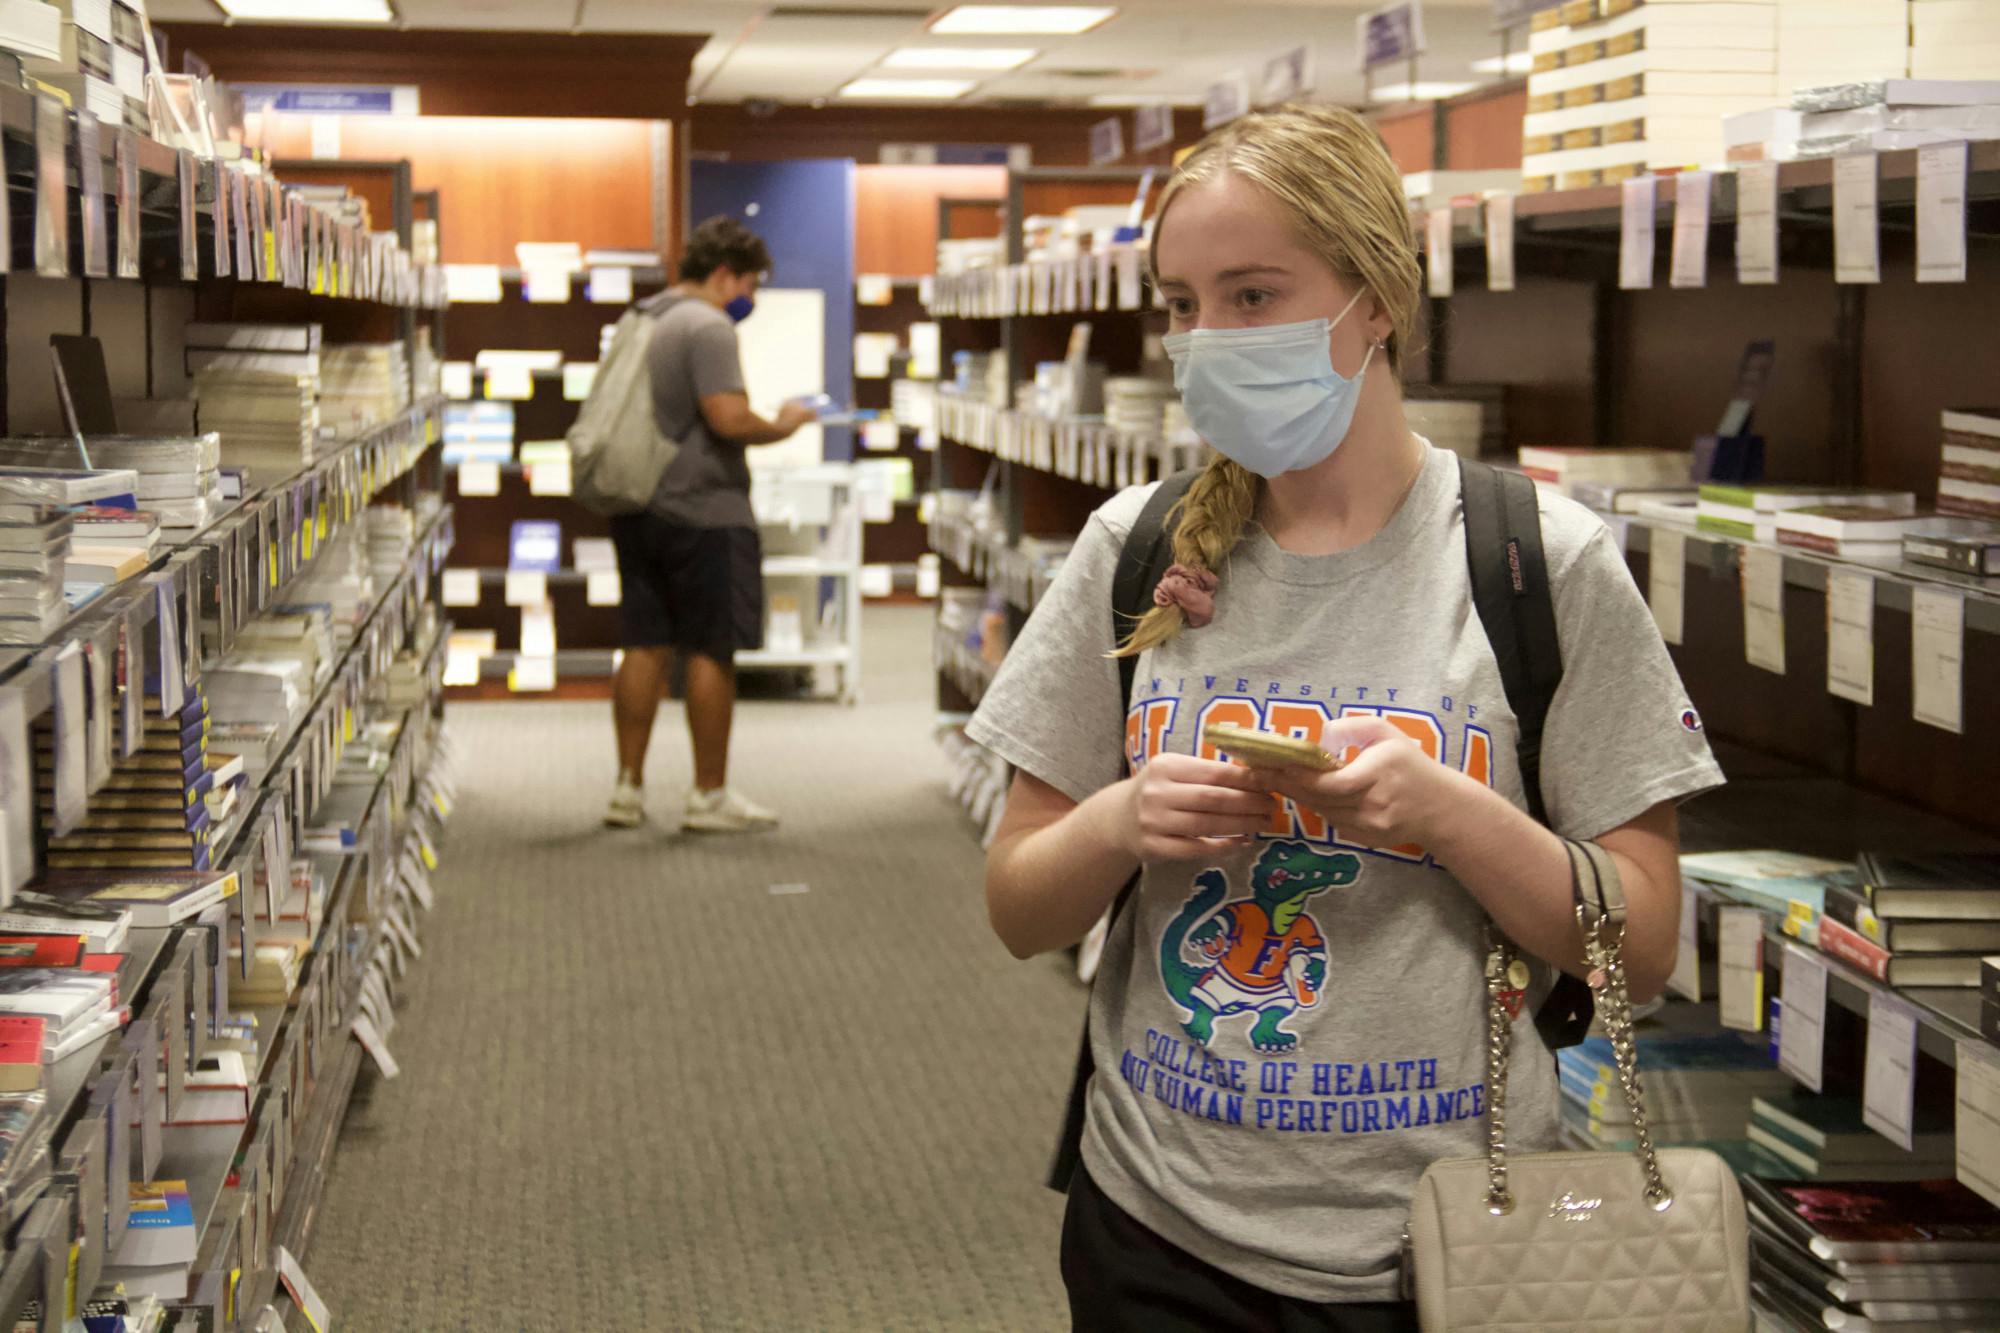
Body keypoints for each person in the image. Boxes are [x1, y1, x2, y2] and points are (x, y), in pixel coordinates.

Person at [966, 105, 1723, 1331]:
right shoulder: (1133, 549)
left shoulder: (1541, 562)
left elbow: (1634, 949)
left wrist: (1454, 816)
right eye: (1178, 304)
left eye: (1252, 295)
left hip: (1453, 1246)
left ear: (1373, 300)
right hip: (1157, 1226)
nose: (1205, 340)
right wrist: (1119, 822)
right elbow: (1016, 906)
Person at [604, 215, 815, 832]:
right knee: (710, 650)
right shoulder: (709, 326)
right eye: (751, 282)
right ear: (726, 274)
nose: (751, 296)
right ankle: (708, 795)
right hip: (704, 510)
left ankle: (626, 788)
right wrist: (786, 422)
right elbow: (726, 417)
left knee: (643, 642)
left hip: (639, 501)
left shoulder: (647, 316)